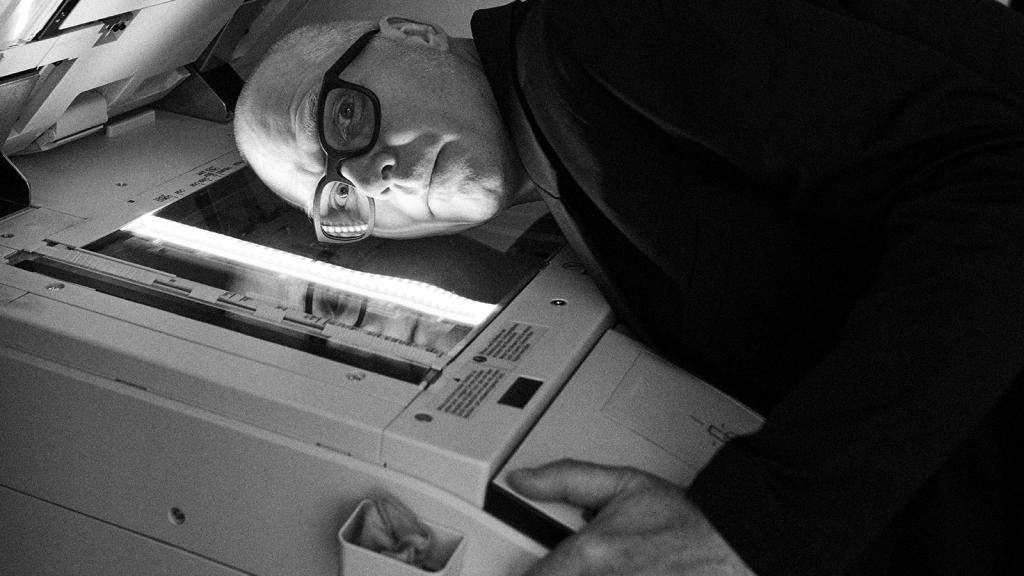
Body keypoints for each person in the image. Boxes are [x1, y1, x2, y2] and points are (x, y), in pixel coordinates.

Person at [233, 1, 1024, 574]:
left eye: (344, 120)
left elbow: (998, 184)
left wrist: (758, 520)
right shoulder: (559, 151)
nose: (374, 175)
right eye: (344, 201)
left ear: (410, 33)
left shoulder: (591, 30)